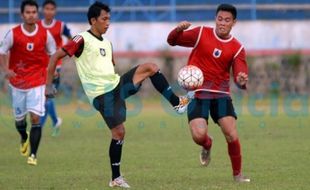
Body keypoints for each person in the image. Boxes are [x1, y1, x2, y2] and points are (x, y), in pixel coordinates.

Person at [45, 1, 188, 188]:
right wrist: (48, 85)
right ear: (93, 20)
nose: (108, 22)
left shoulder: (107, 43)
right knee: (119, 133)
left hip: (116, 86)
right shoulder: (81, 39)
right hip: (101, 95)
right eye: (104, 19)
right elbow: (55, 57)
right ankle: (116, 178)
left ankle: (176, 103)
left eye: (109, 19)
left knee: (151, 67)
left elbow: (109, 68)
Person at [167, 4, 250, 182]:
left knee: (231, 133)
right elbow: (172, 41)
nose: (222, 23)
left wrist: (242, 81)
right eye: (219, 19)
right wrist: (178, 30)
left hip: (221, 95)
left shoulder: (237, 48)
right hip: (197, 93)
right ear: (215, 19)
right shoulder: (201, 33)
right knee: (198, 135)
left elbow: (240, 75)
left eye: (227, 20)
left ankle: (238, 175)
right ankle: (207, 144)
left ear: (234, 23)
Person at [0, 0, 56, 166]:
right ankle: (24, 136)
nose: (31, 15)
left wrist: (50, 79)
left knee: (36, 118)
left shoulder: (45, 34)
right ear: (22, 14)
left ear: (37, 14)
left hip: (38, 81)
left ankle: (33, 155)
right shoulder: (13, 33)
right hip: (18, 82)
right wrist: (5, 70)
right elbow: (2, 51)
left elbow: (54, 55)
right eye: (28, 12)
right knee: (19, 120)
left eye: (33, 12)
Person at [38, 0, 72, 136]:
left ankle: (38, 128)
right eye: (47, 9)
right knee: (44, 97)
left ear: (55, 11)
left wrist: (63, 54)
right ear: (42, 10)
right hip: (40, 67)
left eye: (52, 9)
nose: (49, 11)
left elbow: (72, 40)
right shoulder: (37, 25)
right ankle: (55, 121)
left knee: (46, 97)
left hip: (55, 67)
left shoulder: (61, 26)